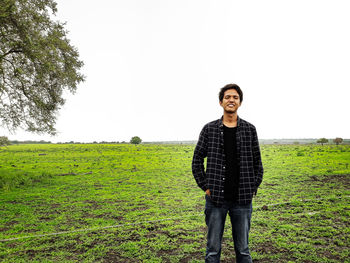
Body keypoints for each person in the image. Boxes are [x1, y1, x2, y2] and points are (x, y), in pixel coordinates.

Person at [192, 84, 263, 263]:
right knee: (213, 250)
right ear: (220, 102)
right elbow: (196, 160)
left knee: (243, 250)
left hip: (243, 200)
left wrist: (252, 187)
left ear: (240, 102)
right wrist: (206, 187)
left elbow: (258, 163)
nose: (231, 100)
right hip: (216, 199)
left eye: (235, 97)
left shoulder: (249, 129)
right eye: (227, 97)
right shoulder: (209, 129)